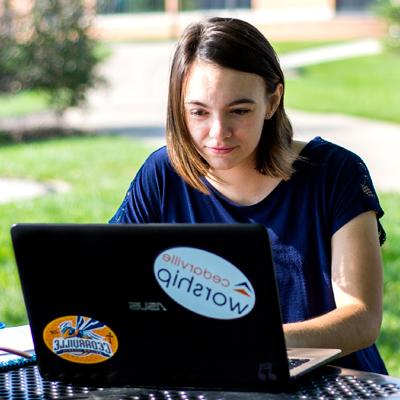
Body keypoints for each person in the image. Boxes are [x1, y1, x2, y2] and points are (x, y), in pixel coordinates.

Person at [110, 17, 387, 374]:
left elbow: (362, 319)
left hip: (336, 382)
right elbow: (112, 287)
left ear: (273, 101)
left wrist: (250, 340)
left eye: (239, 111)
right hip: (210, 379)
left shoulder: (336, 174)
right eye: (198, 112)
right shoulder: (163, 174)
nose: (218, 132)